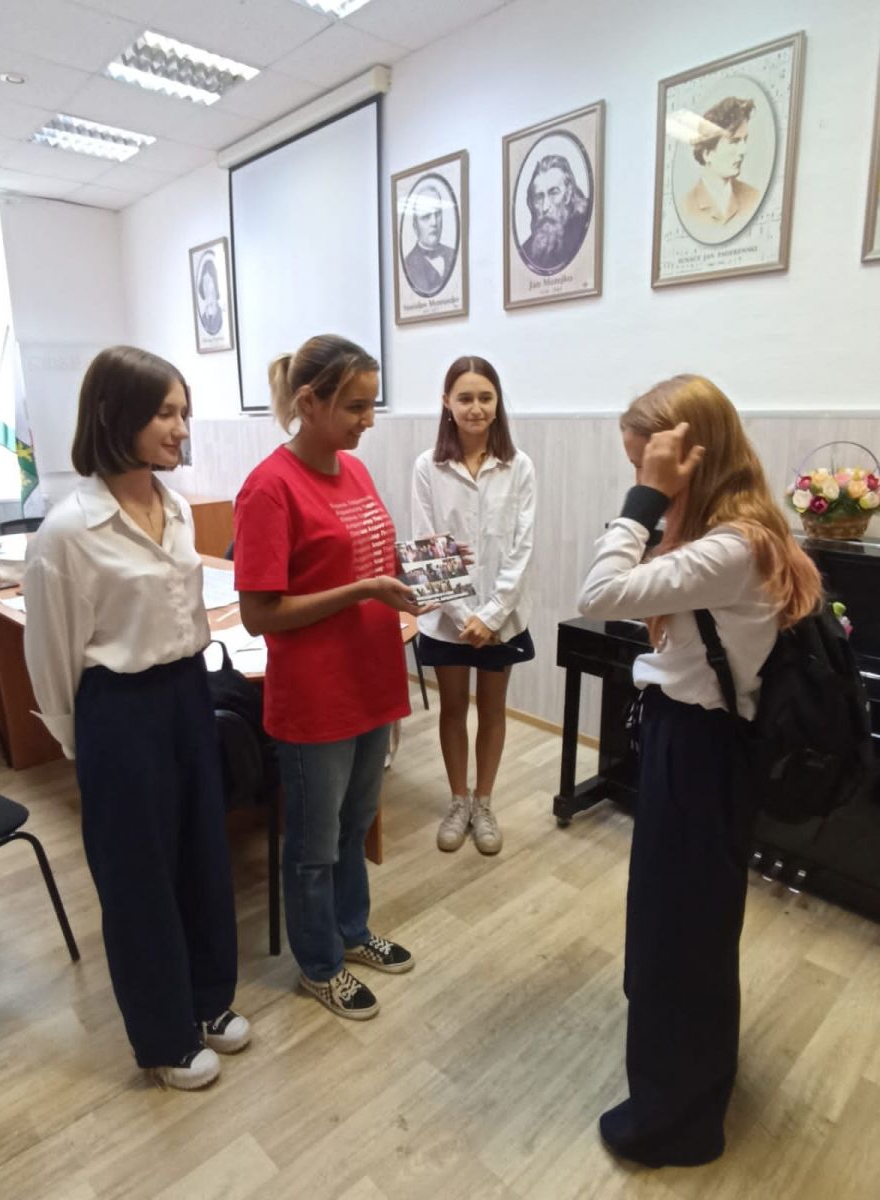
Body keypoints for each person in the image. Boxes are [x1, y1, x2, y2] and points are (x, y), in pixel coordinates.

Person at [577, 374, 822, 1167]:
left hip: (700, 751)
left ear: (692, 458)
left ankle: (675, 1124)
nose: (640, 477)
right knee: (683, 926)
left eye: (646, 462)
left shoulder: (730, 546)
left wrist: (641, 499)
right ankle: (691, 1079)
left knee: (679, 934)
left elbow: (598, 592)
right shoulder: (733, 533)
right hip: (694, 744)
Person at [23, 346, 248, 1091]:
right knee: (136, 877)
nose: (181, 428)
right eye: (164, 414)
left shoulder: (175, 508)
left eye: (184, 412)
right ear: (115, 417)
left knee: (202, 854)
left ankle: (208, 1000)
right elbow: (50, 656)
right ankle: (163, 1037)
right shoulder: (68, 532)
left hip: (187, 692)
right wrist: (85, 744)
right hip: (117, 711)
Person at [234, 334, 418, 1021]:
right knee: (313, 845)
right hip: (316, 696)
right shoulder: (269, 488)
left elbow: (373, 562)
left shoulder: (355, 470)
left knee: (354, 825)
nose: (368, 420)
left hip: (372, 680)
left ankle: (351, 930)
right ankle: (318, 964)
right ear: (308, 403)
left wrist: (418, 576)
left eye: (372, 404)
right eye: (355, 406)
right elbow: (259, 614)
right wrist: (361, 591)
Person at [412, 356, 536, 856]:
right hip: (449, 619)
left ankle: (484, 802)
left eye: (485, 397)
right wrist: (467, 617)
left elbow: (523, 549)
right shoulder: (428, 466)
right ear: (447, 403)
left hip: (502, 617)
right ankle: (458, 800)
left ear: (497, 402)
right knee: (452, 708)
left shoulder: (519, 466)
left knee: (492, 709)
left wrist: (492, 615)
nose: (476, 408)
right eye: (465, 398)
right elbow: (428, 549)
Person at [681, 97, 761, 237]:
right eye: (734, 142)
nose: (743, 151)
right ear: (707, 153)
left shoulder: (753, 197)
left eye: (744, 140)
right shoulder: (687, 207)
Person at [519, 153, 590, 275]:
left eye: (554, 193)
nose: (545, 207)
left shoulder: (586, 230)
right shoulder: (527, 251)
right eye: (539, 198)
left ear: (568, 194)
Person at [403, 182, 456, 297]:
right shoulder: (408, 264)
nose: (434, 222)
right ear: (415, 226)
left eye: (437, 214)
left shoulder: (454, 254)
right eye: (426, 216)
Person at [196, 256, 223, 336]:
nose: (207, 285)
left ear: (215, 283)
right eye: (204, 280)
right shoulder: (203, 319)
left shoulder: (222, 316)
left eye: (210, 280)